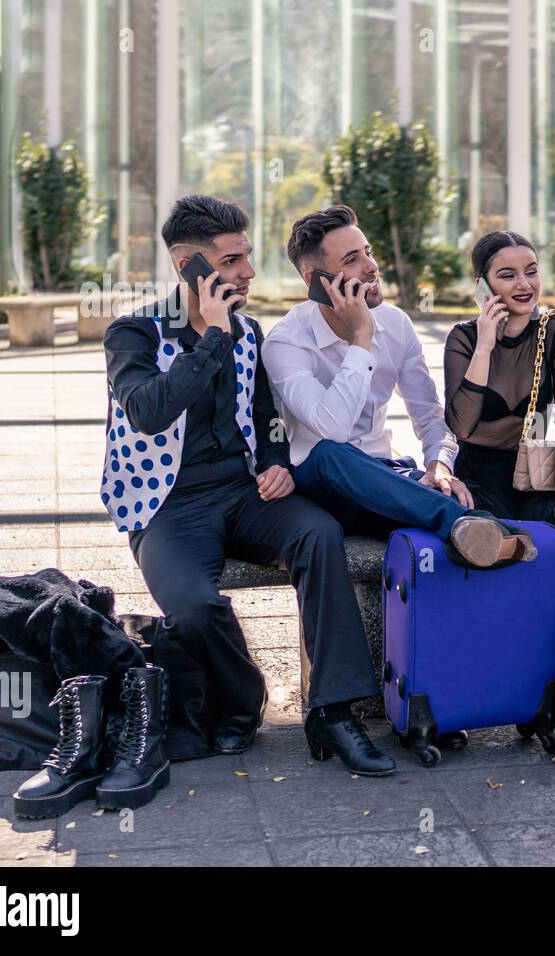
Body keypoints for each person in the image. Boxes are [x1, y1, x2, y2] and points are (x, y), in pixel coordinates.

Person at [102, 195, 395, 777]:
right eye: (233, 260)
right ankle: (244, 696)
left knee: (320, 533)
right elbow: (150, 411)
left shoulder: (250, 332)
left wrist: (278, 458)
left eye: (246, 256)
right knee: (191, 607)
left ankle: (335, 712)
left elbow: (266, 415)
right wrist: (210, 337)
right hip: (166, 503)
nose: (248, 272)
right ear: (189, 265)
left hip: (243, 493)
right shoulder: (133, 333)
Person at [261, 205, 538, 575]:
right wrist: (361, 336)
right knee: (331, 453)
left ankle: (469, 532)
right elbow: (333, 428)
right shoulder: (287, 342)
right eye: (353, 259)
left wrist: (438, 465)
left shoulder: (396, 323)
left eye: (369, 253)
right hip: (320, 490)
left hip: (386, 481)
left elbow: (427, 414)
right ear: (316, 280)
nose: (372, 267)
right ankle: (469, 523)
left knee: (441, 493)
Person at [443, 230, 555, 572]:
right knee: (467, 535)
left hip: (537, 476)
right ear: (481, 286)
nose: (524, 284)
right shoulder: (463, 338)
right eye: (507, 275)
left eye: (531, 271)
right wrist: (484, 347)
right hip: (477, 479)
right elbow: (461, 425)